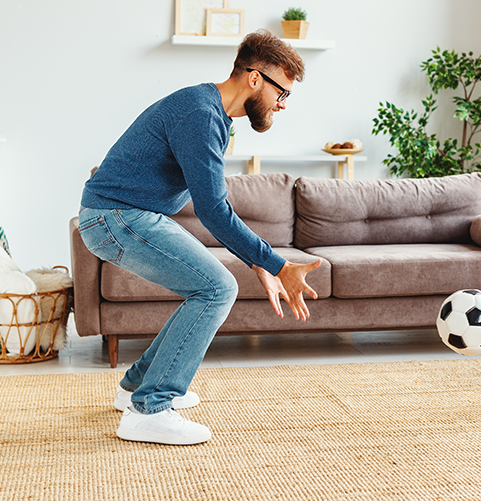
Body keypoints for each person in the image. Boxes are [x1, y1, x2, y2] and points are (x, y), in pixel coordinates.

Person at [78, 29, 321, 445]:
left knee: (211, 287)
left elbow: (211, 201)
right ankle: (150, 408)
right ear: (255, 78)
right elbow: (213, 210)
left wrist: (256, 260)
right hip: (115, 216)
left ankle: (137, 388)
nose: (282, 105)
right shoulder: (200, 113)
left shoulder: (212, 115)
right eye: (283, 93)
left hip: (125, 215)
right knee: (216, 288)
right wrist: (277, 264)